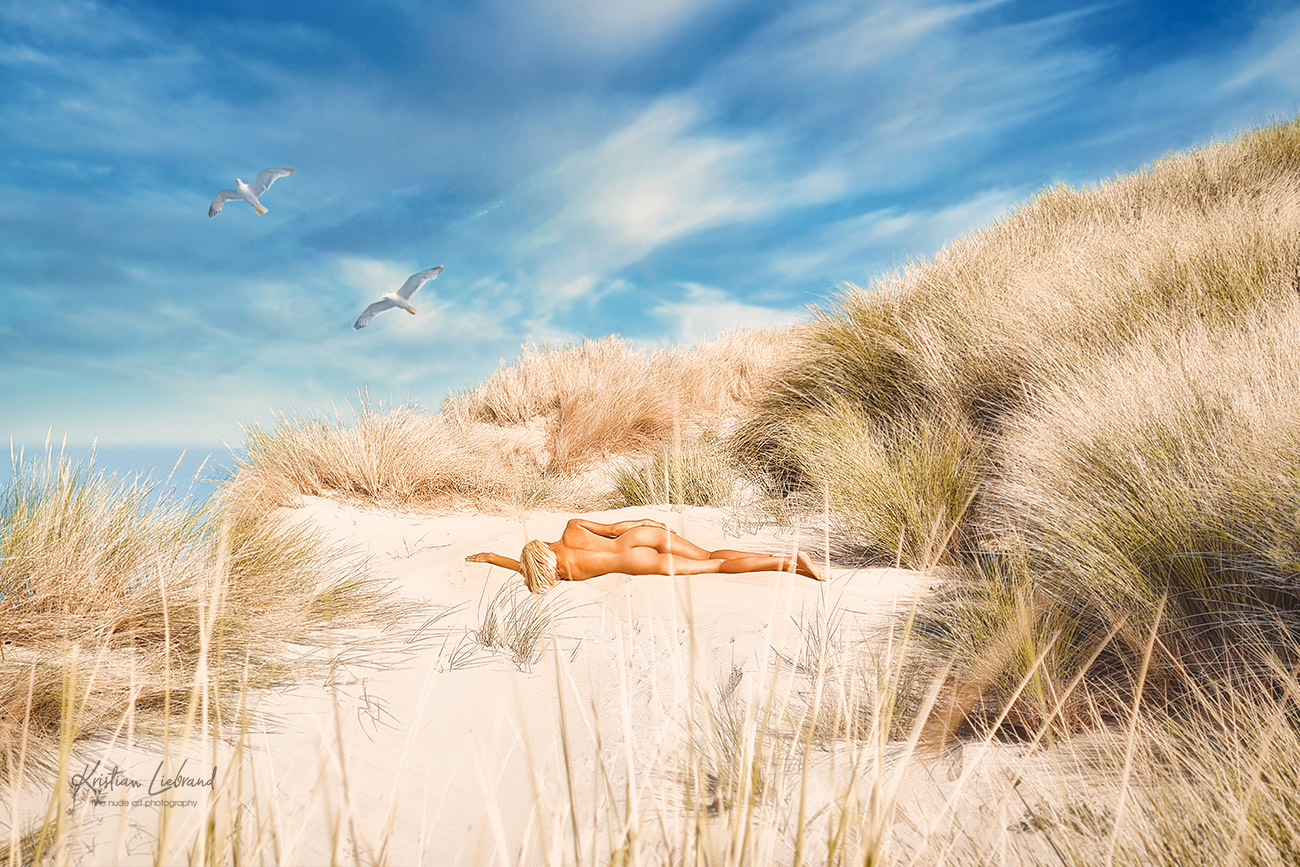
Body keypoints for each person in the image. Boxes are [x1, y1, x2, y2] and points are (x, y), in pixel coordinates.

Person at [466, 517, 822, 593]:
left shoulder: (568, 571)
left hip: (637, 562)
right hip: (638, 536)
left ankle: (785, 564)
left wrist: (495, 559)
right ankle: (785, 556)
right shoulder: (571, 528)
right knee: (711, 553)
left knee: (714, 566)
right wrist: (649, 524)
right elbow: (614, 528)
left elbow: (528, 571)